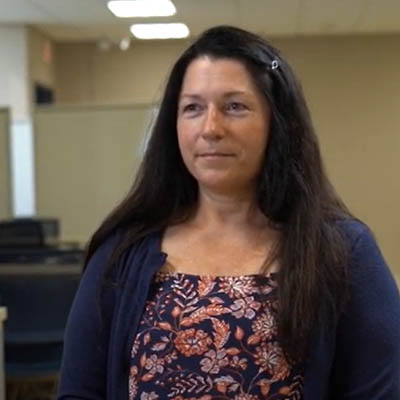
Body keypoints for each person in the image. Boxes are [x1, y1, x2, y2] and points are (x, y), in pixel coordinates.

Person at [57, 26, 400, 400]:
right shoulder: (122, 253)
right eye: (192, 108)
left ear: (277, 122)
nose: (210, 128)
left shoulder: (344, 253)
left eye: (234, 106)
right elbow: (80, 391)